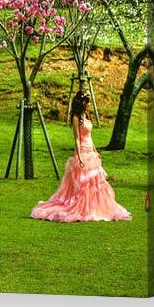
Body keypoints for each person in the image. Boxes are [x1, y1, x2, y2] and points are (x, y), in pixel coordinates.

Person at [31, 90, 131, 222]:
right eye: (86, 102)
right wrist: (79, 156)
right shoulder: (76, 118)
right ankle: (82, 208)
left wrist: (96, 151)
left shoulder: (87, 116)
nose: (88, 104)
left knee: (95, 182)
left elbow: (90, 136)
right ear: (81, 102)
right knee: (83, 184)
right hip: (83, 150)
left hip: (90, 150)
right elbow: (77, 139)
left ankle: (94, 208)